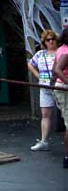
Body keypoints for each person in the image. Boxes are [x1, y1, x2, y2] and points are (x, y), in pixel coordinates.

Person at [27, 29, 58, 151]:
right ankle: (44, 141)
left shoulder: (61, 52)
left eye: (52, 39)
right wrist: (37, 75)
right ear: (44, 42)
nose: (50, 41)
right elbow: (30, 63)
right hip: (44, 86)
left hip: (58, 86)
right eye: (47, 40)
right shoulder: (40, 54)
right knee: (45, 114)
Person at [53, 27, 68, 169]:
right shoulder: (67, 51)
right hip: (65, 89)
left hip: (60, 88)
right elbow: (57, 69)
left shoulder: (61, 49)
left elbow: (54, 69)